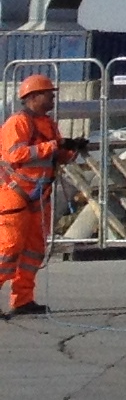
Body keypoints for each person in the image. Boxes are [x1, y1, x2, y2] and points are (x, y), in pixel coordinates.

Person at [2, 71, 79, 319]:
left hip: (39, 197)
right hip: (14, 196)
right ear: (33, 96)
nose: (52, 98)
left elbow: (55, 155)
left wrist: (72, 149)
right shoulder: (17, 122)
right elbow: (16, 155)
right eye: (48, 94)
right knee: (9, 250)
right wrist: (56, 145)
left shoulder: (48, 124)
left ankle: (23, 300)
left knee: (33, 251)